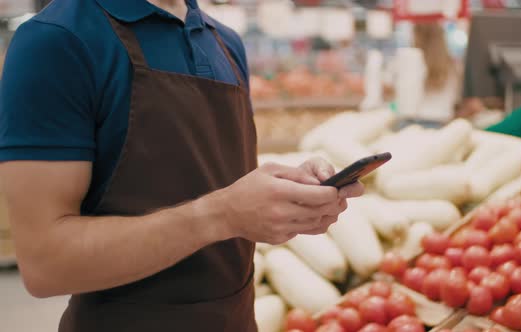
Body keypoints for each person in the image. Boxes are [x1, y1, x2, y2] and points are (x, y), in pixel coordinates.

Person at [0, 0, 363, 331]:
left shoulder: (224, 42)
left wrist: (290, 192)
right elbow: (46, 263)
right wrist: (222, 215)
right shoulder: (56, 41)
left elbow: (212, 181)